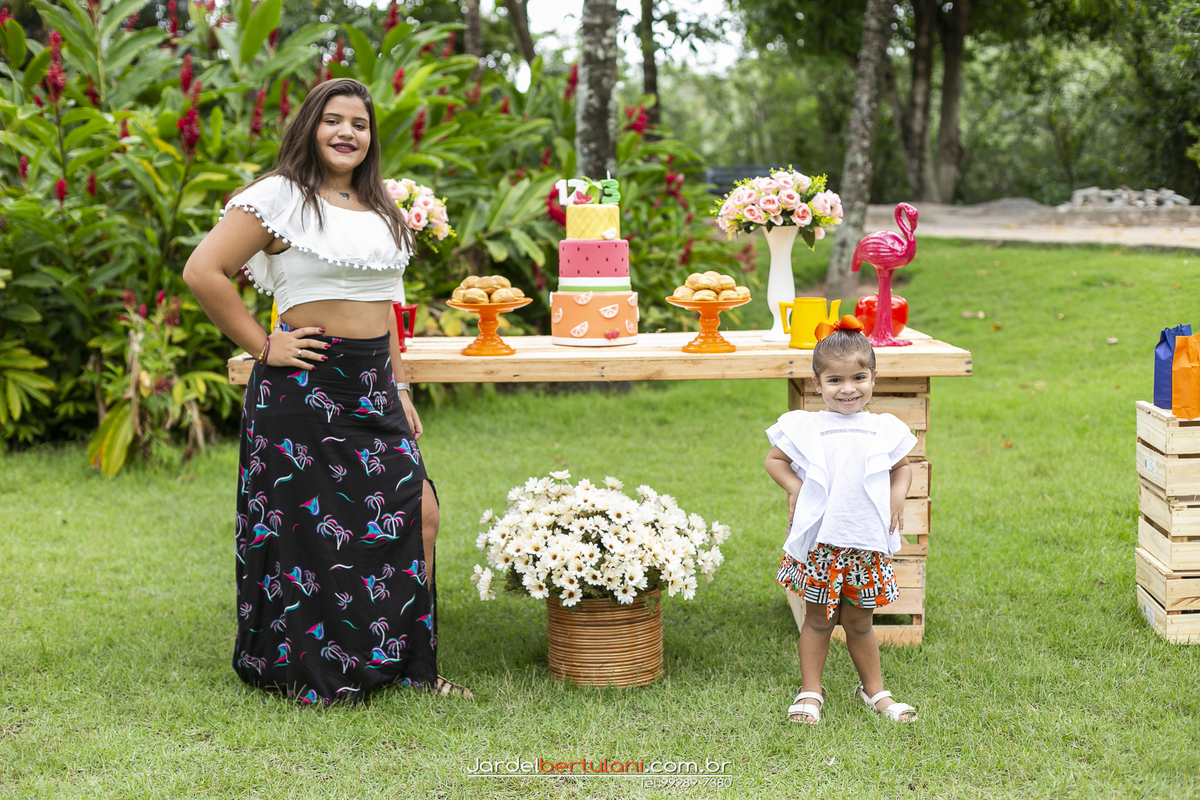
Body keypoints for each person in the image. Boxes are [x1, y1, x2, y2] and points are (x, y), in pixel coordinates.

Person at [183, 78, 471, 705]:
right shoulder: (278, 196)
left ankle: (409, 664)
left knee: (417, 510)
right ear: (310, 127)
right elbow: (203, 271)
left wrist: (399, 385)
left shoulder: (383, 208)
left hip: (372, 385)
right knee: (311, 533)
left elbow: (386, 306)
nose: (347, 133)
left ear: (371, 138)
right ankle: (320, 668)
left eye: (359, 124)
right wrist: (264, 345)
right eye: (333, 120)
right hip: (302, 388)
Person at [764, 316, 917, 724]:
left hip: (864, 544)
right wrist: (795, 487)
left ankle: (875, 691)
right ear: (817, 383)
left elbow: (902, 467)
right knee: (818, 620)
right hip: (823, 545)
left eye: (858, 378)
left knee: (860, 622)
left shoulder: (883, 428)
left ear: (873, 378)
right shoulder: (808, 426)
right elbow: (774, 460)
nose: (848, 389)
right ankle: (811, 690)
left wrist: (897, 493)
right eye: (834, 380)